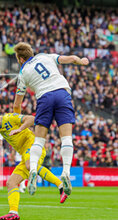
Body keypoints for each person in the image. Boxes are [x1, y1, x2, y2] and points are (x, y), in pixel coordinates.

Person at [13, 42, 89, 195]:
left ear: (21, 59)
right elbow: (71, 58)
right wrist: (81, 60)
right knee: (67, 138)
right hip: (62, 93)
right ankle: (66, 171)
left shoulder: (22, 73)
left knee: (39, 140)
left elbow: (17, 104)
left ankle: (33, 169)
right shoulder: (45, 56)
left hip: (44, 97)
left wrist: (19, 120)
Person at [0, 109, 67, 220]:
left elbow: (31, 119)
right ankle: (13, 213)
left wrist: (20, 129)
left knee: (30, 165)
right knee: (11, 183)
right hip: (24, 154)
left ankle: (60, 185)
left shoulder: (9, 118)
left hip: (33, 145)